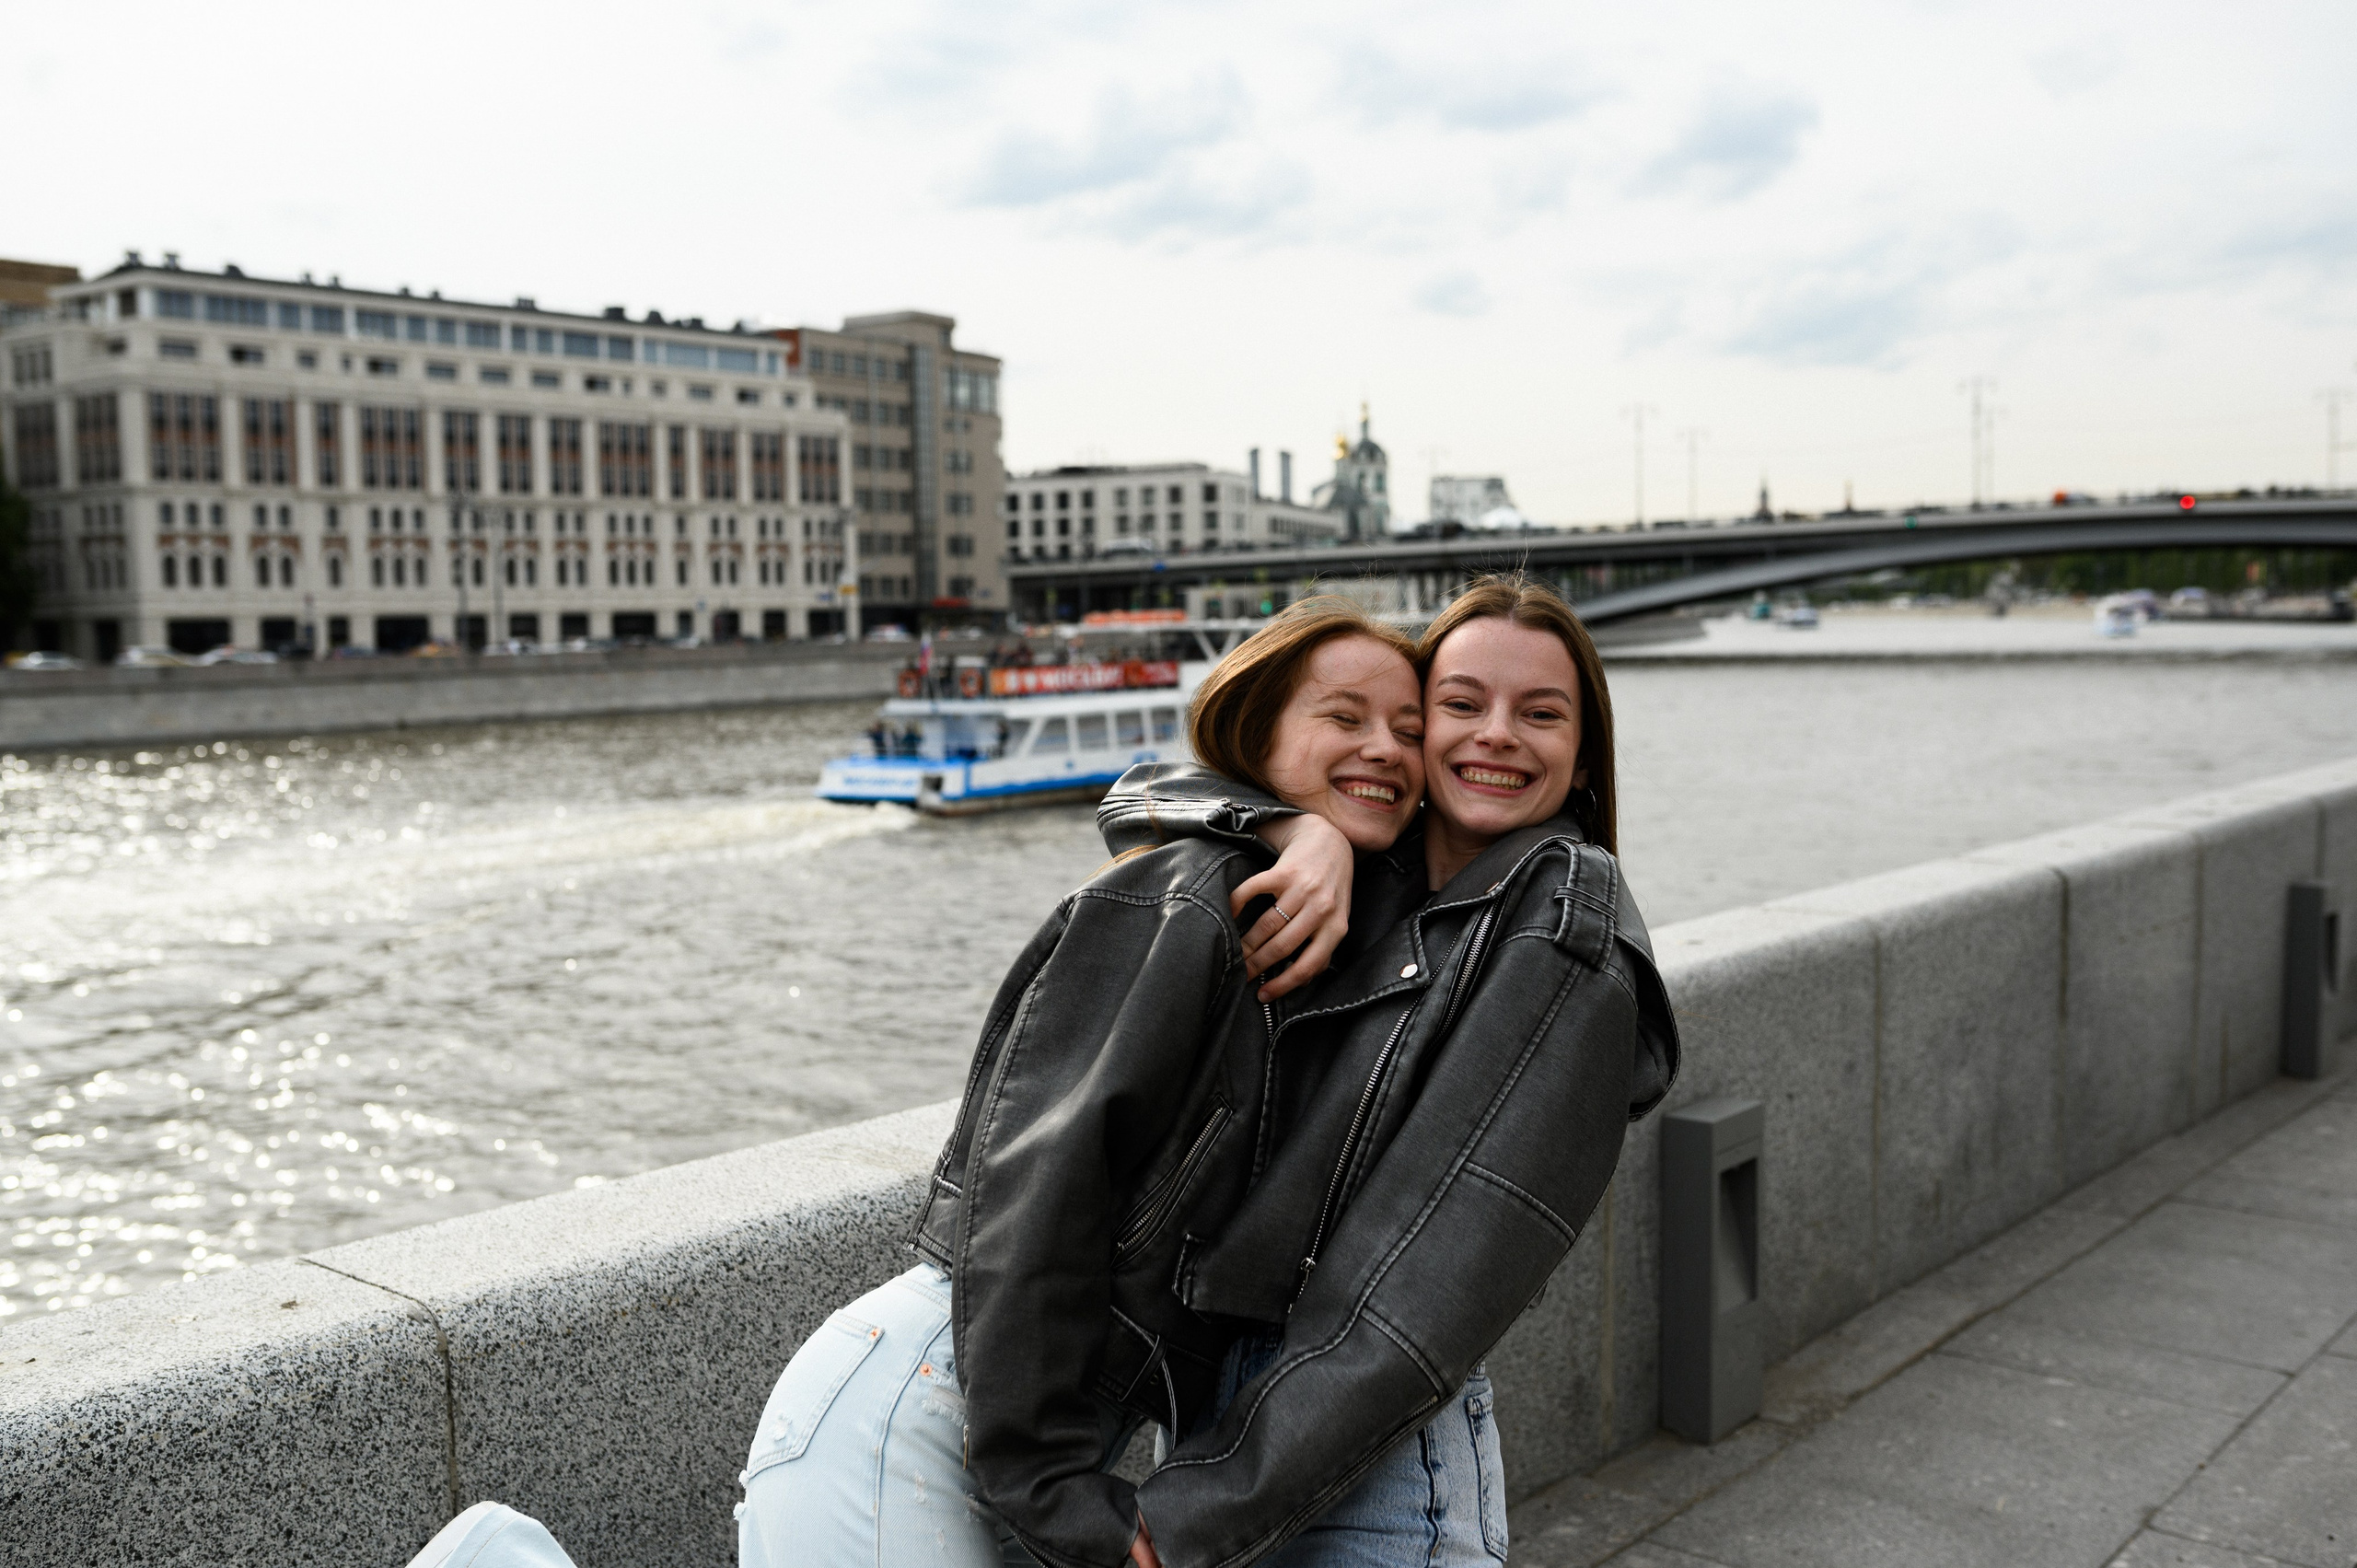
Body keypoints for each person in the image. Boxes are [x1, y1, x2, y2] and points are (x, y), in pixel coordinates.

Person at [405, 598, 1432, 1568]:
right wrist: (1051, 1491)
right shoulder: (1191, 894)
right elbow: (1033, 1186)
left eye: (1408, 725)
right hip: (921, 1412)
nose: (1384, 744)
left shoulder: (1333, 928)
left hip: (961, 1403)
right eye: (1344, 716)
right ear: (1257, 739)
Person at [1091, 573, 1678, 1566]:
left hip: (1370, 1473)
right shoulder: (1370, 865)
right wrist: (1291, 826)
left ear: (1582, 756)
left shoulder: (1561, 921)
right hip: (1221, 1424)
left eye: (1539, 713)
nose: (1495, 733)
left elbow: (1427, 1282)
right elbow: (1130, 797)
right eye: (1458, 705)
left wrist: (1205, 1503)